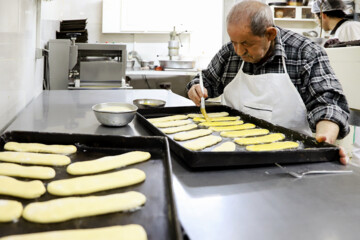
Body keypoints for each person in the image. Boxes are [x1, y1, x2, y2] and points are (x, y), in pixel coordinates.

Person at [186, 0, 350, 164]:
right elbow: (206, 80)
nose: (238, 51)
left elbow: (328, 103)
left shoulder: (305, 52)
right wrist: (197, 87)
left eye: (246, 44)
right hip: (230, 153)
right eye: (234, 42)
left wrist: (323, 143)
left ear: (270, 34)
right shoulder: (230, 52)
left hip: (289, 157)